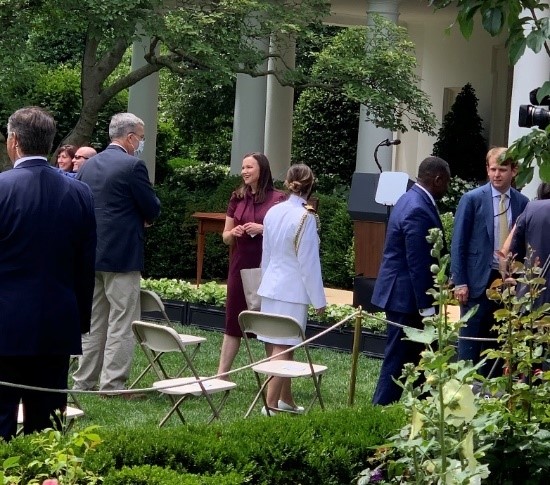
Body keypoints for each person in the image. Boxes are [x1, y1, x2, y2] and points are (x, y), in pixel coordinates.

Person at [0, 107, 96, 441]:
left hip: (5, 323)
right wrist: (80, 320)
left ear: (14, 141)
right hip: (57, 322)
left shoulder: (1, 188)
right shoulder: (80, 193)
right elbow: (85, 266)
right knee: (47, 429)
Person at [72, 113, 161, 394]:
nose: (142, 143)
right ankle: (112, 384)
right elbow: (152, 208)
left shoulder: (88, 165)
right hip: (122, 256)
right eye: (142, 138)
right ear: (130, 137)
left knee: (93, 322)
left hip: (91, 255)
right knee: (122, 322)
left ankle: (84, 381)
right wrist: (142, 216)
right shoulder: (133, 165)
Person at [371, 156, 451, 405]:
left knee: (421, 360)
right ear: (437, 180)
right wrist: (427, 305)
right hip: (407, 300)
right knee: (397, 361)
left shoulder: (409, 199)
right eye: (446, 182)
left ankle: (428, 410)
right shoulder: (417, 207)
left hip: (403, 297)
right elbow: (419, 262)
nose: (447, 188)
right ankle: (378, 412)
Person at [451, 147, 528, 375]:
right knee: (470, 344)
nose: (497, 174)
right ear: (487, 170)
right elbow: (459, 243)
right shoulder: (472, 199)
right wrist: (460, 282)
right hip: (476, 282)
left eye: (502, 169)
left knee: (497, 344)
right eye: (493, 169)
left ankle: (490, 395)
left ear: (514, 171)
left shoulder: (522, 202)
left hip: (507, 283)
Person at [257, 163, 326, 415]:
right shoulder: (306, 216)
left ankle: (286, 400)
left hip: (271, 286)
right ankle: (271, 405)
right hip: (292, 291)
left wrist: (265, 282)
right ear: (311, 185)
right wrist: (319, 299)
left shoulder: (273, 211)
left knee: (278, 344)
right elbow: (308, 263)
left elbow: (266, 255)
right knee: (284, 346)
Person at [217, 153, 286, 379]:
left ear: (262, 170)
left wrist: (263, 229)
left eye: (249, 167)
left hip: (267, 267)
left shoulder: (279, 199)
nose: (245, 171)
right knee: (233, 320)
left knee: (268, 321)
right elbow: (225, 237)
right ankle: (221, 375)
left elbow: (288, 234)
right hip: (240, 266)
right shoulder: (237, 197)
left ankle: (272, 375)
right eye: (243, 167)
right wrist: (233, 233)